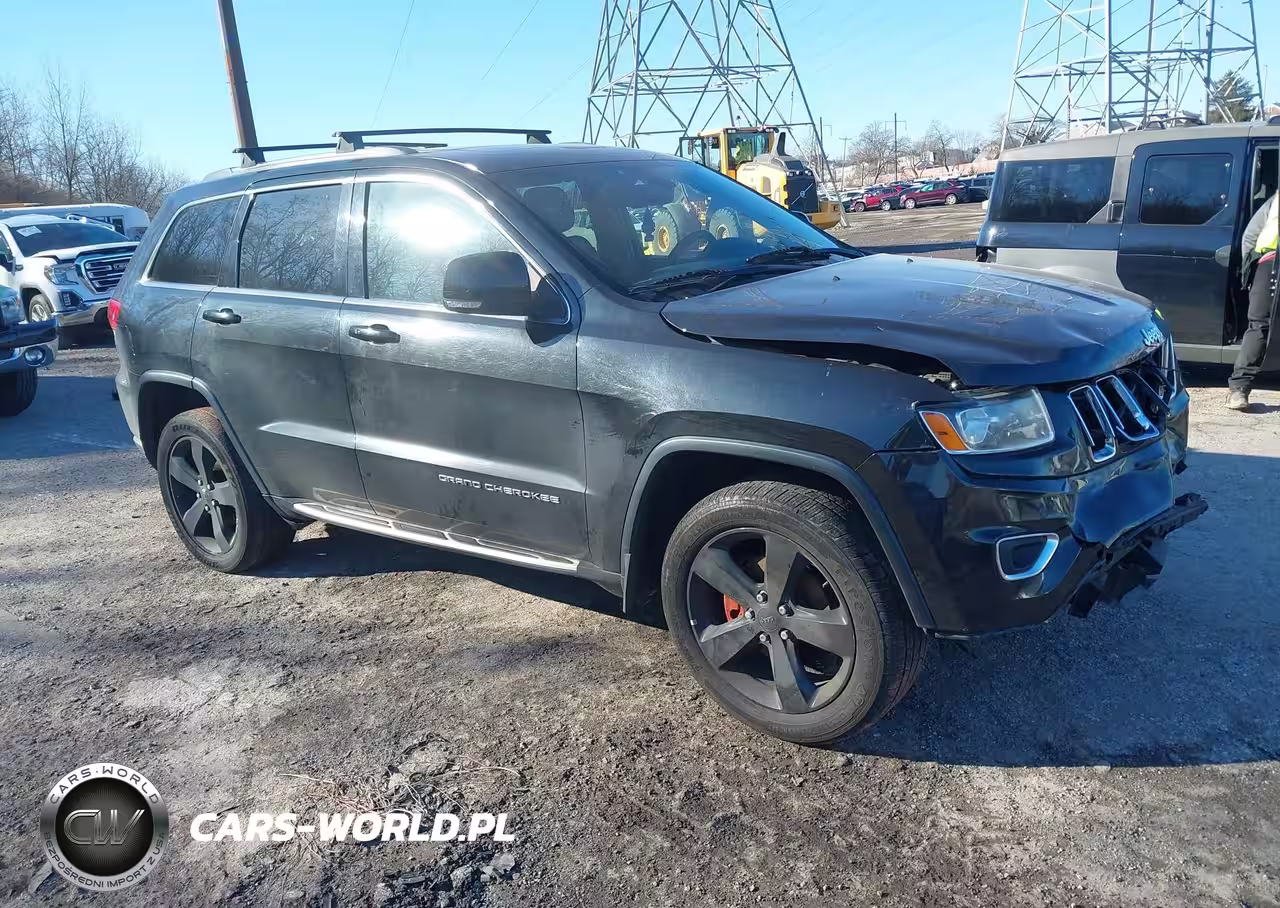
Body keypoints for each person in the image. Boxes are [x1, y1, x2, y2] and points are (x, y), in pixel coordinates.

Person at [1227, 190, 1279, 410]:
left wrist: (1249, 271)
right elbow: (1251, 236)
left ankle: (1239, 389)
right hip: (1272, 261)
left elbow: (1250, 236)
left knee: (1259, 326)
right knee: (1260, 325)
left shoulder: (1275, 200)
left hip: (1268, 262)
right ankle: (1239, 388)